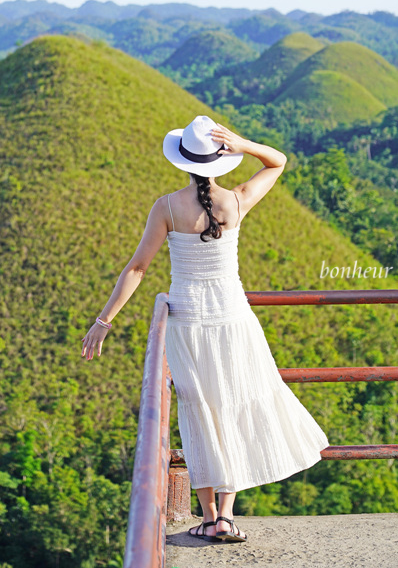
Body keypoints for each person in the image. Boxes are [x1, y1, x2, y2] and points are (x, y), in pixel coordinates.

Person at [81, 115, 329, 544]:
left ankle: (209, 514)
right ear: (221, 161)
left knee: (198, 413)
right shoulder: (236, 200)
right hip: (234, 319)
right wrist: (243, 143)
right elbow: (278, 161)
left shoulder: (168, 207)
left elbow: (138, 268)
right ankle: (228, 517)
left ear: (184, 163)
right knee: (232, 406)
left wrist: (103, 322)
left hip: (189, 322)